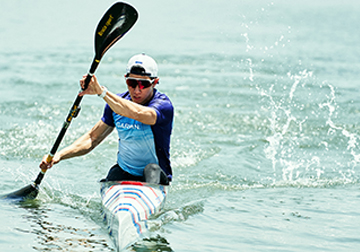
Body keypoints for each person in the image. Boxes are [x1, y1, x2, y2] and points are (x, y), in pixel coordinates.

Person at [39, 53, 173, 185]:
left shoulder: (163, 106)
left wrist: (102, 92)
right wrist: (59, 156)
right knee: (115, 173)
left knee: (152, 169)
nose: (137, 90)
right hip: (124, 170)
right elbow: (93, 138)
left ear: (155, 83)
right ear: (126, 79)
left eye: (143, 84)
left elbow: (138, 113)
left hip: (155, 174)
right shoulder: (114, 105)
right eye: (131, 83)